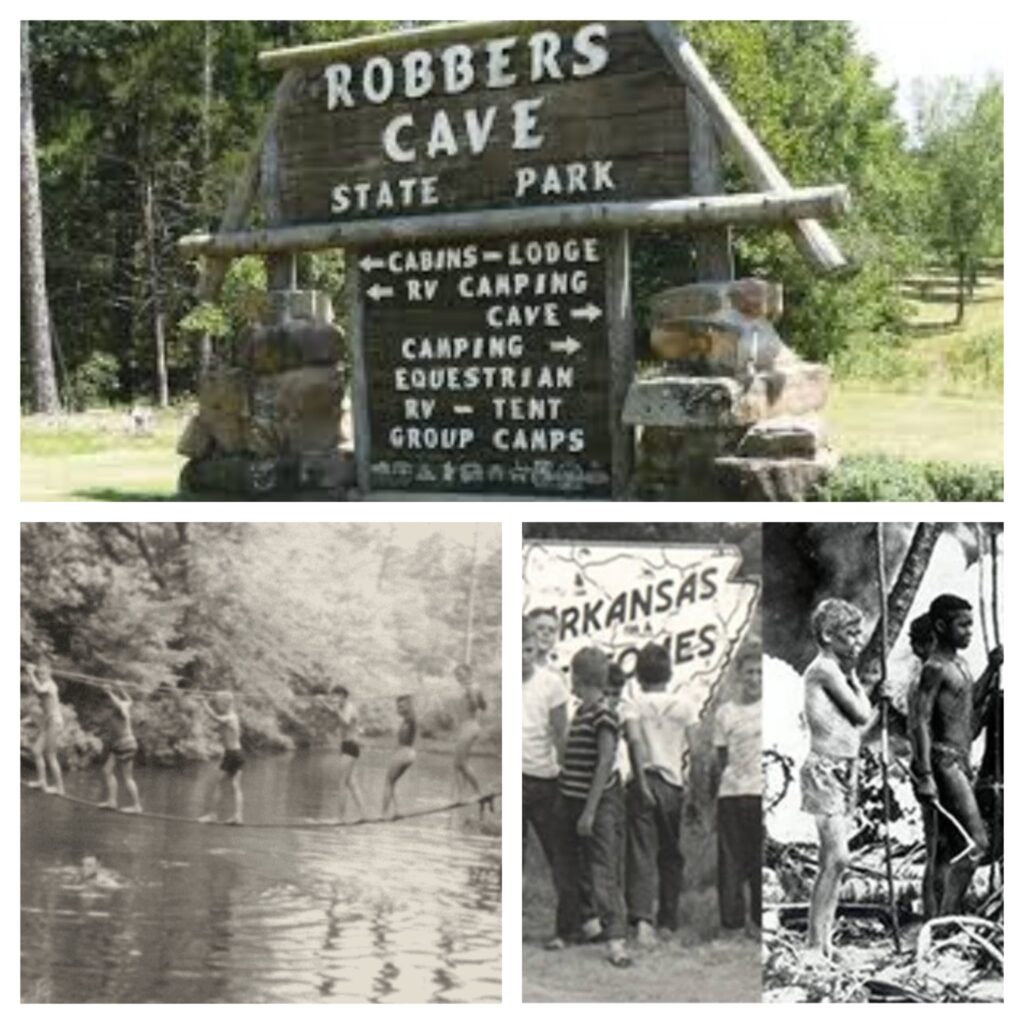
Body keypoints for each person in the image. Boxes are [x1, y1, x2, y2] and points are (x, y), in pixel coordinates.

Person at [908, 595, 1002, 916]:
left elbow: (968, 703)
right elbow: (920, 721)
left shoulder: (960, 664)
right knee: (977, 844)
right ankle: (948, 917)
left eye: (971, 624)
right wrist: (924, 775)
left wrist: (991, 668)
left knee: (947, 850)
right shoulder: (934, 668)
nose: (969, 631)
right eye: (962, 625)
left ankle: (934, 920)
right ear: (940, 626)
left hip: (961, 761)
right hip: (943, 762)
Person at [801, 598, 872, 961]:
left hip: (843, 770)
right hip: (824, 770)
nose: (858, 641)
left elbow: (861, 721)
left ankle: (824, 942)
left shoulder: (836, 671)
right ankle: (814, 943)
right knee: (837, 858)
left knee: (835, 860)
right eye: (851, 633)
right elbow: (862, 714)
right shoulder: (825, 670)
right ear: (829, 635)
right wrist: (858, 682)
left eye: (860, 633)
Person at [555, 647, 631, 967]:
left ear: (582, 679)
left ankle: (616, 941)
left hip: (596, 803)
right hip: (570, 799)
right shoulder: (581, 713)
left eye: (572, 674)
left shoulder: (603, 714)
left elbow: (605, 762)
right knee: (572, 869)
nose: (570, 680)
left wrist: (590, 810)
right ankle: (576, 928)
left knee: (602, 871)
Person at [621, 642, 695, 947]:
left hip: (642, 781)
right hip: (673, 784)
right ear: (669, 672)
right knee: (670, 854)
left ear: (639, 676)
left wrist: (639, 782)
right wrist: (692, 787)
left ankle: (642, 922)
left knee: (640, 853)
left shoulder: (632, 704)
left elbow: (635, 743)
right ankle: (668, 920)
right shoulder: (684, 706)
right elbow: (697, 749)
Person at [522, 620, 575, 943]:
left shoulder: (551, 684)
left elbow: (560, 734)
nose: (523, 658)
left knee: (560, 855)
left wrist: (566, 775)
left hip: (544, 781)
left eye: (528, 650)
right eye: (516, 651)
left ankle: (565, 929)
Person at [711, 642, 762, 938]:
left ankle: (757, 923)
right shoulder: (725, 713)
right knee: (730, 861)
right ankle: (731, 924)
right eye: (748, 673)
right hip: (731, 794)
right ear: (738, 676)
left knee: (758, 859)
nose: (753, 678)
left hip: (761, 793)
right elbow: (721, 757)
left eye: (758, 673)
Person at [199, 691, 245, 824]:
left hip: (233, 755)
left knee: (220, 784)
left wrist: (204, 704)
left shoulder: (231, 717)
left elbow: (216, 718)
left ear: (225, 703)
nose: (217, 706)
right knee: (234, 786)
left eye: (219, 703)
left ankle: (213, 815)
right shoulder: (231, 716)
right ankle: (238, 816)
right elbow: (216, 720)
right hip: (236, 753)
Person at [98, 684, 143, 813]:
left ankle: (137, 806)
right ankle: (112, 801)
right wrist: (121, 689)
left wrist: (109, 692)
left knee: (127, 777)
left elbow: (120, 704)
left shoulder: (121, 711)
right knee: (107, 770)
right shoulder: (123, 706)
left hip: (125, 744)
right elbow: (130, 701)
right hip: (118, 744)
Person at [26, 662, 65, 795]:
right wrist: (32, 672)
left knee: (51, 755)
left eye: (43, 673)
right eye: (39, 673)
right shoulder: (45, 683)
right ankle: (42, 781)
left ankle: (60, 788)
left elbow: (40, 689)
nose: (41, 676)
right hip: (48, 722)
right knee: (36, 750)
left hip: (55, 721)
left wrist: (31, 673)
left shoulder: (51, 685)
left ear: (49, 673)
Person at [328, 685, 365, 821]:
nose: (333, 698)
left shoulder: (349, 707)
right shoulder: (343, 708)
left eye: (335, 696)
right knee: (351, 782)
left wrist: (336, 709)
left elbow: (346, 722)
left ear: (342, 695)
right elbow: (338, 725)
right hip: (346, 746)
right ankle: (364, 814)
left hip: (351, 746)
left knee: (342, 782)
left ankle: (340, 818)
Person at [453, 663, 486, 798]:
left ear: (468, 673)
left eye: (460, 674)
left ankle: (478, 792)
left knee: (461, 763)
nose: (458, 678)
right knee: (457, 764)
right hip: (467, 727)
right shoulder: (474, 687)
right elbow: (484, 706)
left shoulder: (472, 687)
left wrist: (471, 694)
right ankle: (461, 795)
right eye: (456, 676)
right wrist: (474, 695)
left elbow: (475, 705)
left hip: (469, 726)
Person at [382, 695, 417, 819]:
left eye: (401, 706)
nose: (399, 709)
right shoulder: (406, 720)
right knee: (392, 782)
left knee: (387, 782)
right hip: (410, 754)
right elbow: (399, 712)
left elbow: (410, 707)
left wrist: (408, 700)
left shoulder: (410, 718)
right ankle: (398, 811)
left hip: (404, 753)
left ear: (409, 706)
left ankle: (383, 814)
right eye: (398, 706)